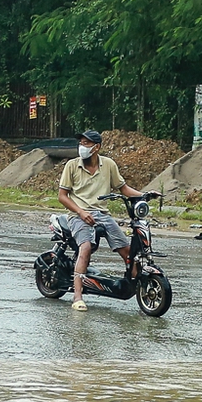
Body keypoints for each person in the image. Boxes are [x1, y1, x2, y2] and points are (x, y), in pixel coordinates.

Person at [57, 129, 146, 310]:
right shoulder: (72, 166)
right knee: (86, 248)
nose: (82, 146)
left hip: (102, 215)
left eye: (86, 143)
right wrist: (81, 212)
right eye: (80, 143)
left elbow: (124, 189)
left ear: (96, 147)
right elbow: (62, 196)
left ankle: (141, 288)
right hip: (78, 215)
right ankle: (77, 297)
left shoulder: (109, 165)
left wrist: (145, 195)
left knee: (127, 250)